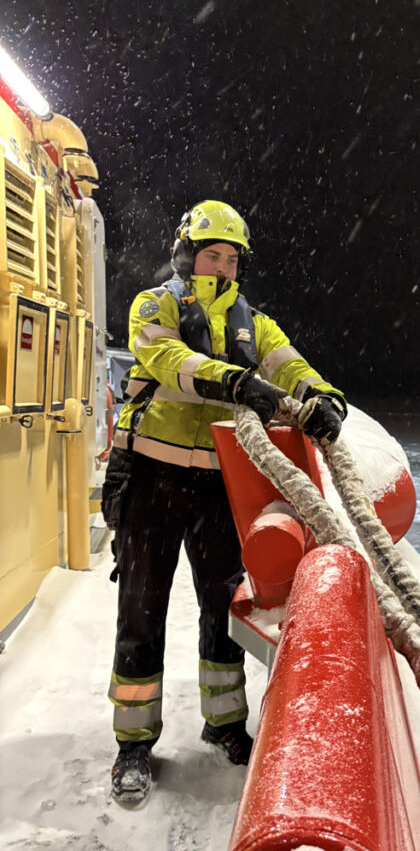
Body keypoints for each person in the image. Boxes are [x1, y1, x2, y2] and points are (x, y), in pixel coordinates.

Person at [103, 200, 346, 806]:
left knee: (223, 606)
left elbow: (289, 363)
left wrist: (320, 395)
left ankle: (225, 724)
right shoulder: (156, 303)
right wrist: (235, 381)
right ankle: (133, 743)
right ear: (187, 253)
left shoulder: (253, 324)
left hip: (217, 485)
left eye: (232, 256)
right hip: (152, 479)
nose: (223, 265)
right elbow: (165, 358)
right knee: (142, 607)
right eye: (213, 253)